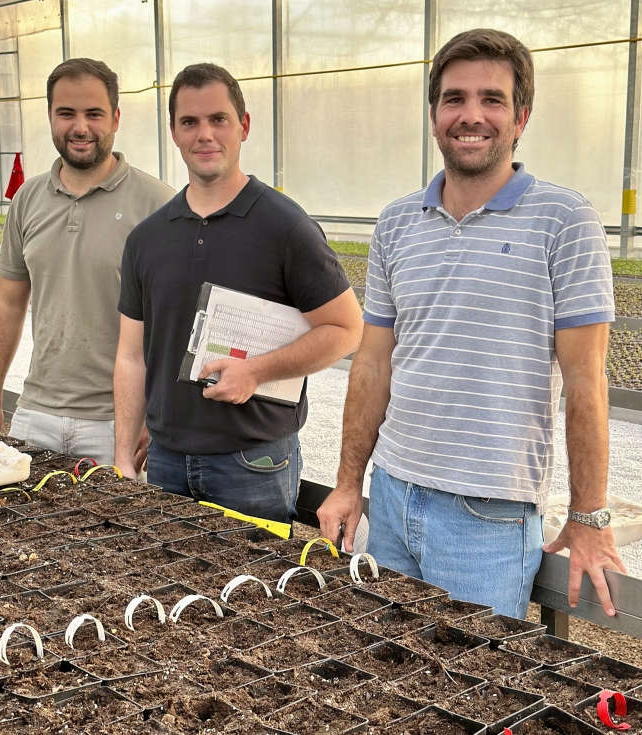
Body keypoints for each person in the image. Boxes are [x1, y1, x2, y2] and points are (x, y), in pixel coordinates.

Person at [317, 28, 626, 618]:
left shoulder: (565, 220)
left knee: (471, 696)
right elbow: (373, 362)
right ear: (434, 114)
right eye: (454, 99)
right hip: (392, 495)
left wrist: (589, 517)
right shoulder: (396, 224)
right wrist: (350, 482)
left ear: (521, 117)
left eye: (492, 100)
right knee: (385, 681)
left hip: (487, 519)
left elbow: (586, 383)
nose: (471, 116)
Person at [114, 63, 362, 523]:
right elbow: (131, 356)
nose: (204, 134)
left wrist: (257, 371)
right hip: (165, 461)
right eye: (189, 122)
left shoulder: (286, 227)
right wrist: (124, 454)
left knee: (251, 591)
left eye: (218, 119)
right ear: (174, 131)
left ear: (243, 126)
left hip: (254, 465)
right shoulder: (146, 239)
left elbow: (347, 328)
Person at [0, 58, 175, 465]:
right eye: (67, 114)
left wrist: (157, 413)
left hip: (118, 425)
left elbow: (177, 320)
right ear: (50, 117)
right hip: (35, 415)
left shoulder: (158, 206)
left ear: (115, 117)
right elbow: (8, 300)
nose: (80, 128)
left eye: (94, 114)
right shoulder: (27, 199)